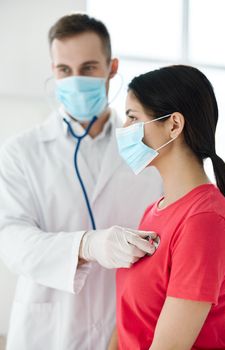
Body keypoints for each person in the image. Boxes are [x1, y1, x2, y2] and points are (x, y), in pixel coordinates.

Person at [0, 13, 163, 350]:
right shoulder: (22, 152)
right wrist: (86, 246)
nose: (75, 80)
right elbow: (10, 240)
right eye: (64, 70)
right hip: (47, 332)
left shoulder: (146, 152)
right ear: (53, 71)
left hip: (124, 329)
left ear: (112, 67)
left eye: (88, 68)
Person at [109, 65, 225, 349]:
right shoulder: (154, 210)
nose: (124, 130)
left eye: (132, 117)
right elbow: (128, 320)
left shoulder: (204, 220)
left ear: (174, 125)